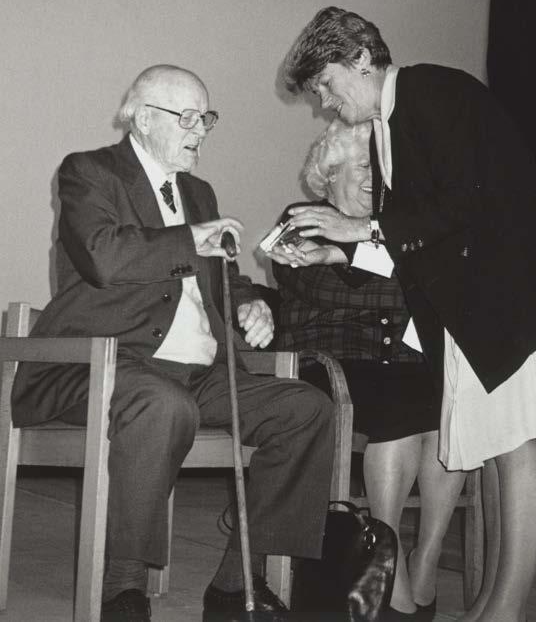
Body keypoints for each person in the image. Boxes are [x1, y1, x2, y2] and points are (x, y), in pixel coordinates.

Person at [277, 8, 536, 622]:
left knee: (516, 447)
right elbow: (423, 238)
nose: (323, 103)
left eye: (325, 84)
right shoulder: (389, 125)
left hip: (519, 294)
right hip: (487, 302)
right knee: (500, 452)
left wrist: (358, 227)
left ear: (360, 59)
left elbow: (462, 206)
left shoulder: (432, 91)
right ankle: (489, 607)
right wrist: (337, 249)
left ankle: (504, 612)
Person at [11, 64, 335, 622]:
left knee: (306, 409)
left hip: (198, 373)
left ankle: (237, 583)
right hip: (106, 365)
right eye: (186, 117)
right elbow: (103, 256)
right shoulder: (90, 172)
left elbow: (222, 275)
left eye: (206, 118)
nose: (200, 130)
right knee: (163, 404)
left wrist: (249, 303)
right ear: (142, 118)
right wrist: (190, 238)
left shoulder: (199, 193)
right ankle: (123, 585)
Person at [269, 120, 467, 621]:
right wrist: (404, 273)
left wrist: (376, 259)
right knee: (401, 414)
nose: (375, 180)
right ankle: (387, 561)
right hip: (332, 366)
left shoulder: (397, 227)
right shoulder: (299, 219)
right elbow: (322, 288)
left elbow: (444, 286)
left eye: (381, 170)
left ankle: (426, 557)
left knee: (456, 415)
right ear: (330, 173)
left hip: (404, 366)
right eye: (362, 167)